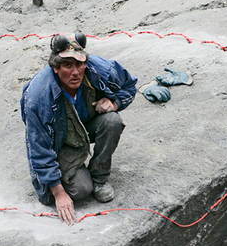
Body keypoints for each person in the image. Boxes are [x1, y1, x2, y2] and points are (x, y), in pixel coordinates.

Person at [20, 33, 138, 225]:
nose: (75, 72)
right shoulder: (39, 96)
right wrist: (58, 193)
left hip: (85, 126)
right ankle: (74, 171)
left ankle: (99, 178)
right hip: (60, 141)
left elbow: (129, 85)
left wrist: (114, 102)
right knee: (80, 190)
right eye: (68, 65)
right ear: (56, 68)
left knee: (112, 121)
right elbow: (38, 147)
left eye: (79, 65)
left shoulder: (98, 70)